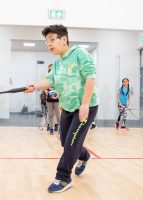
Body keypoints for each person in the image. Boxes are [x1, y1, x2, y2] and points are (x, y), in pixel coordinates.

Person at [25, 24, 98, 193]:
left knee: (71, 143)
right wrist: (34, 86)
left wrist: (85, 104)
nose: (49, 44)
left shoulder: (79, 53)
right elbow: (49, 81)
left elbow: (91, 78)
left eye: (52, 40)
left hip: (85, 107)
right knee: (65, 140)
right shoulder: (57, 64)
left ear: (63, 39)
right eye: (46, 41)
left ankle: (63, 178)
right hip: (68, 108)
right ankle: (84, 156)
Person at [45, 64, 60, 134]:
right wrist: (46, 94)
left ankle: (60, 128)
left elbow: (60, 88)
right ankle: (51, 128)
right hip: (49, 100)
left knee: (58, 115)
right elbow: (46, 89)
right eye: (49, 70)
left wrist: (59, 95)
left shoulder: (58, 79)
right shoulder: (47, 80)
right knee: (50, 115)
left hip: (57, 100)